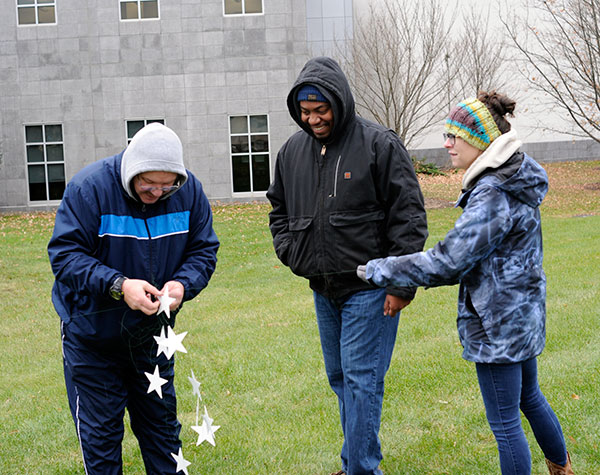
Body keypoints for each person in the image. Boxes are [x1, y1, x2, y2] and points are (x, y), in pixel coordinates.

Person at [358, 92, 573, 475]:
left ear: (478, 140)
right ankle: (562, 468)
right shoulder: (516, 174)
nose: (446, 144)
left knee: (505, 423)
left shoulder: (493, 192)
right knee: (530, 397)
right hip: (523, 317)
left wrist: (379, 269)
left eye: (453, 136)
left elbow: (447, 262)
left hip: (497, 325)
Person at [267, 56, 428, 475]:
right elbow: (278, 209)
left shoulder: (378, 143)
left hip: (370, 290)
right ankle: (354, 463)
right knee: (341, 380)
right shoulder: (292, 152)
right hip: (324, 289)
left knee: (361, 383)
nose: (313, 118)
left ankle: (361, 469)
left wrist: (401, 284)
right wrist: (291, 251)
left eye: (321, 110)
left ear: (339, 102)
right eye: (305, 111)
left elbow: (408, 217)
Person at [47, 122, 219, 474]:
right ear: (131, 170)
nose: (156, 193)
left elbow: (203, 250)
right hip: (92, 340)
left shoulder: (190, 193)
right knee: (101, 441)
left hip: (153, 340)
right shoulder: (89, 189)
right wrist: (119, 285)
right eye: (147, 184)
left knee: (163, 437)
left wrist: (182, 285)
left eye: (166, 186)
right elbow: (65, 256)